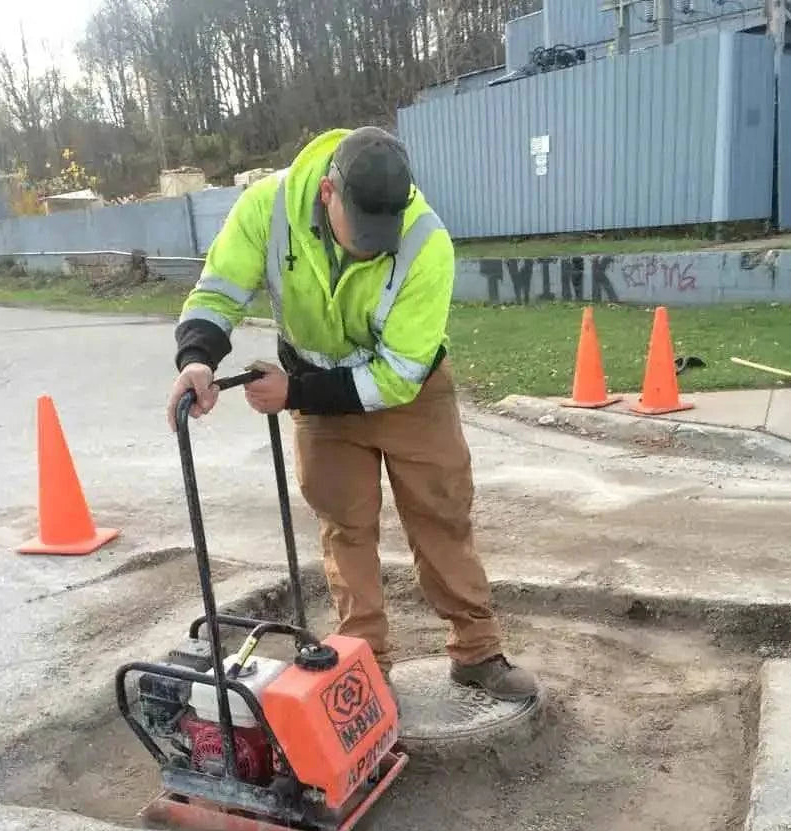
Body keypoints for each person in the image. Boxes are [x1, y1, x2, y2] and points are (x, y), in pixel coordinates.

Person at [166, 127, 537, 701]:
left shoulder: (425, 241)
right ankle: (365, 663)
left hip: (410, 394)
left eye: (380, 236)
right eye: (360, 232)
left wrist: (294, 395)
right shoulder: (267, 209)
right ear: (327, 196)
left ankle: (477, 651)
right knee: (345, 524)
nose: (370, 247)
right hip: (314, 382)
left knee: (441, 514)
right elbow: (218, 292)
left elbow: (395, 377)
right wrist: (196, 359)